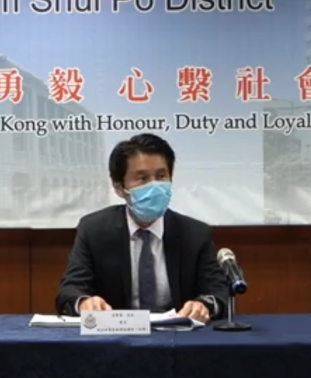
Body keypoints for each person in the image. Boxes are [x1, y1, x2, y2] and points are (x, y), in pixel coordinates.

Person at [55, 133, 228, 321]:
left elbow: (219, 292)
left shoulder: (195, 234)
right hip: (116, 333)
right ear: (119, 187)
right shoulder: (94, 230)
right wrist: (84, 303)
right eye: (143, 178)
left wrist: (204, 305)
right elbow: (69, 291)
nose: (154, 186)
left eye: (161, 176)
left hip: (177, 334)